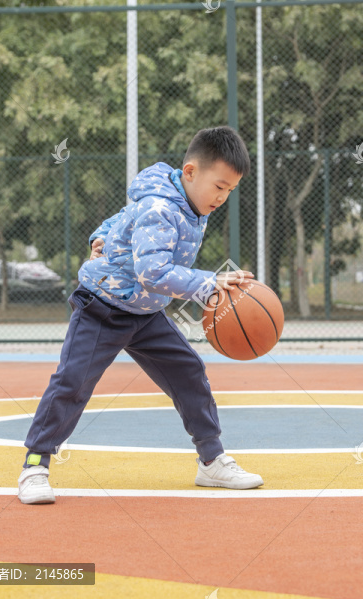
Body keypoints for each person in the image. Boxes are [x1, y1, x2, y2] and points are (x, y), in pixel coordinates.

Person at [18, 126, 263, 504]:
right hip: (102, 307)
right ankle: (36, 464)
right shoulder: (161, 207)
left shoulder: (187, 201)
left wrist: (99, 236)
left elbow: (123, 216)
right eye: (219, 186)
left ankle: (211, 461)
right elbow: (154, 271)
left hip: (146, 312)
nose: (223, 197)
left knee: (189, 373)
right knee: (73, 382)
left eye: (230, 190)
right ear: (190, 172)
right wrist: (209, 285)